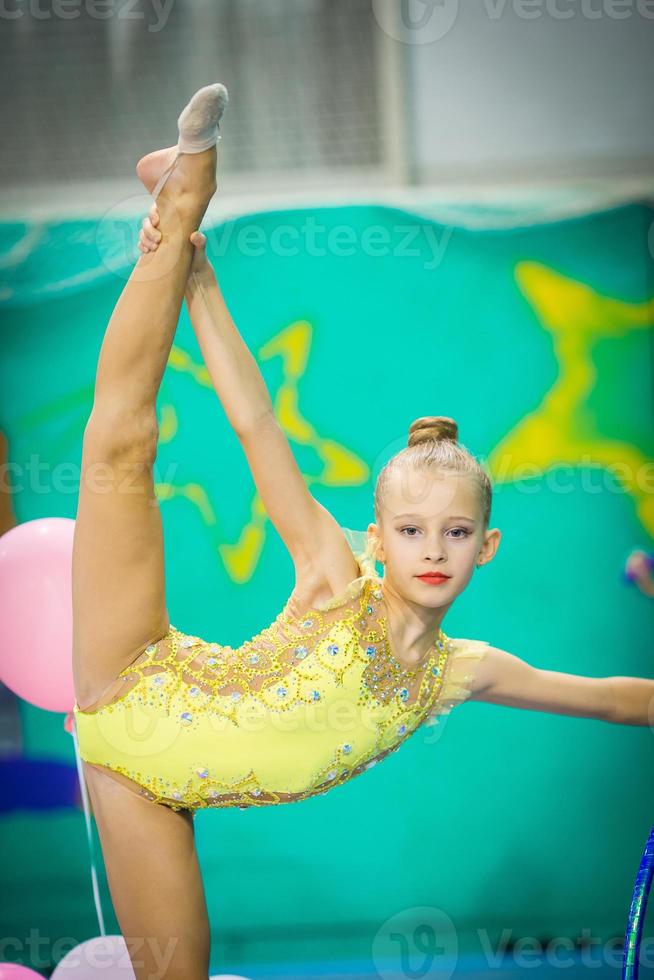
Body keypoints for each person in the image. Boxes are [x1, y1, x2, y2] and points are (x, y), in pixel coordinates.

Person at [72, 83, 653, 980]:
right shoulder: (333, 575)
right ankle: (185, 197)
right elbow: (256, 423)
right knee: (121, 448)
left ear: (484, 548)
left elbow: (618, 697)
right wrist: (200, 283)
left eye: (456, 533)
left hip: (146, 790)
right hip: (133, 674)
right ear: (378, 538)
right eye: (412, 530)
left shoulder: (462, 671)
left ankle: (171, 224)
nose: (432, 550)